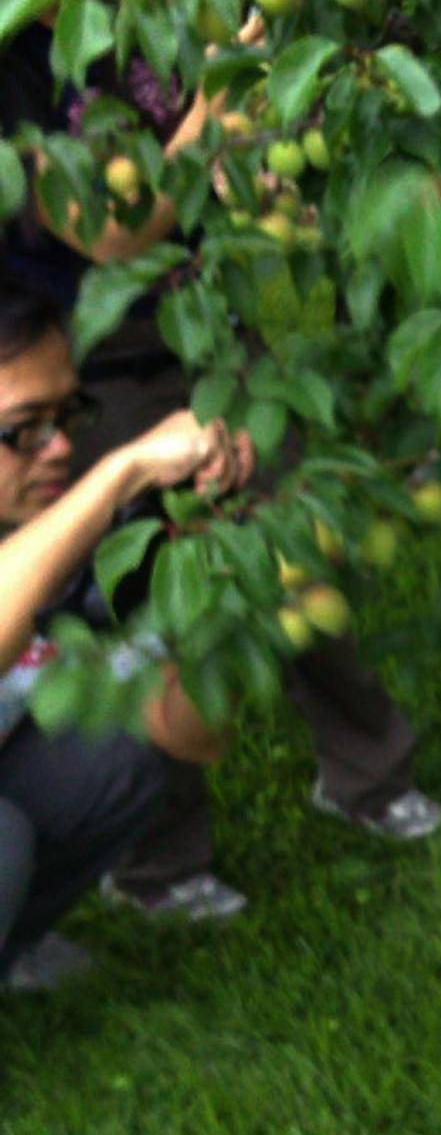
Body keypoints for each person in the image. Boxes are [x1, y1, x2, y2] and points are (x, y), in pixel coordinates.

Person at [0, 0, 441, 922]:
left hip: (204, 311)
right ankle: (155, 857)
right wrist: (227, 84)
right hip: (70, 358)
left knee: (292, 534)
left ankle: (366, 770)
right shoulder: (15, 46)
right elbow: (110, 234)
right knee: (131, 584)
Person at [0, 292, 249, 990]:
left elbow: (195, 734)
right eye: (23, 429)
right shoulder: (80, 511)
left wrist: (201, 553)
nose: (62, 449)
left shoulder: (65, 535)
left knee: (122, 756)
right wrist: (122, 471)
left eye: (66, 416)